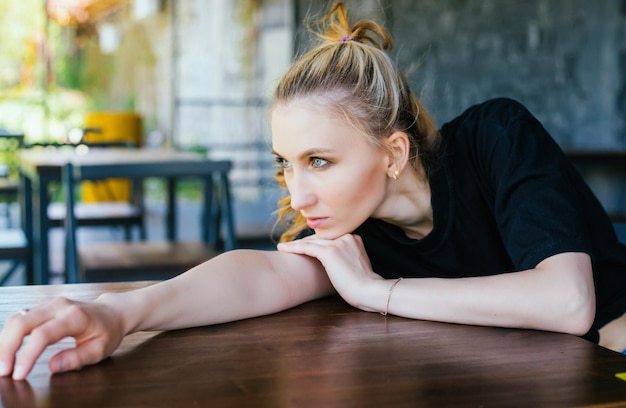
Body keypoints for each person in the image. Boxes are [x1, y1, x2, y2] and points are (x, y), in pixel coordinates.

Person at [2, 2, 626, 381]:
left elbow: (566, 303)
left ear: (393, 153)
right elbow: (258, 276)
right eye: (286, 164)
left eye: (319, 161)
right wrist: (119, 312)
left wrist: (379, 293)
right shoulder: (349, 226)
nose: (298, 193)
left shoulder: (495, 136)